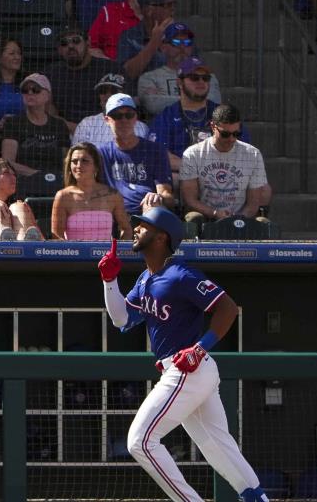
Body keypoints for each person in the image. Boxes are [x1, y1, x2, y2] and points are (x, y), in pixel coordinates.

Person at [97, 206, 271, 502]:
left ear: (162, 237)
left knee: (140, 441)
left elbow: (227, 307)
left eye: (143, 226)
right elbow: (121, 319)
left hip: (187, 367)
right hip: (187, 371)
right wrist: (110, 281)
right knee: (217, 445)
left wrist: (200, 347)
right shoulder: (145, 278)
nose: (136, 229)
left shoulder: (181, 274)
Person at [180, 104, 271, 232]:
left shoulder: (253, 154)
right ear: (212, 127)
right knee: (193, 218)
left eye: (236, 133)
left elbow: (253, 203)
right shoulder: (193, 154)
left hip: (241, 218)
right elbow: (190, 200)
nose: (231, 139)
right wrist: (215, 213)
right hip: (206, 218)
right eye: (225, 134)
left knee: (264, 223)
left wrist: (237, 219)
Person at [151, 56, 247, 175]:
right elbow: (158, 154)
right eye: (194, 77)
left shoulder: (224, 114)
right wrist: (196, 170)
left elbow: (244, 151)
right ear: (179, 82)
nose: (201, 82)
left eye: (205, 78)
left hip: (223, 175)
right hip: (183, 176)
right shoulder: (166, 117)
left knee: (264, 190)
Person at [97, 93, 174, 216]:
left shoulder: (155, 150)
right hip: (112, 215)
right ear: (107, 120)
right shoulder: (100, 154)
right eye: (117, 116)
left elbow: (167, 195)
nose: (124, 120)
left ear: (135, 117)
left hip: (147, 214)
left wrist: (158, 197)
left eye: (129, 115)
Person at [0, 74, 70, 198]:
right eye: (25, 91)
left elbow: (66, 161)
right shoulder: (13, 123)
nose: (30, 93)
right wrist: (37, 174)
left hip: (57, 185)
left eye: (36, 90)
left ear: (47, 95)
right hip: (23, 184)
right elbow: (7, 162)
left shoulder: (59, 125)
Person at [43, 27, 121, 129]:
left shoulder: (109, 69)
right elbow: (47, 111)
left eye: (76, 41)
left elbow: (123, 106)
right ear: (59, 50)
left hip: (104, 129)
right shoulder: (50, 73)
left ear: (87, 42)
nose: (70, 46)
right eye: (64, 43)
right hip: (63, 132)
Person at [138, 23, 222, 116]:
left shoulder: (206, 76)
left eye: (187, 43)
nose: (182, 47)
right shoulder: (149, 77)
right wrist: (198, 99)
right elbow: (153, 106)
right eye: (176, 43)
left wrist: (165, 98)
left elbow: (214, 103)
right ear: (163, 47)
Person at [51, 143, 131, 240]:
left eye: (85, 161)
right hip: (74, 254)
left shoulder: (112, 195)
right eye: (74, 161)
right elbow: (57, 235)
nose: (79, 165)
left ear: (96, 166)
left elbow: (126, 229)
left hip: (104, 254)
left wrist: (117, 251)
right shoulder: (63, 196)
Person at [72, 73, 150, 147]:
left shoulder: (141, 127)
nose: (107, 95)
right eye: (103, 91)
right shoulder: (87, 124)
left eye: (113, 91)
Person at [117, 0, 176, 80]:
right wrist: (154, 42)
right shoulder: (129, 36)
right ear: (149, 10)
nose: (172, 9)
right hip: (140, 91)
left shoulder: (181, 33)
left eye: (174, 4)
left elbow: (194, 69)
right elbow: (127, 74)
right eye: (168, 5)